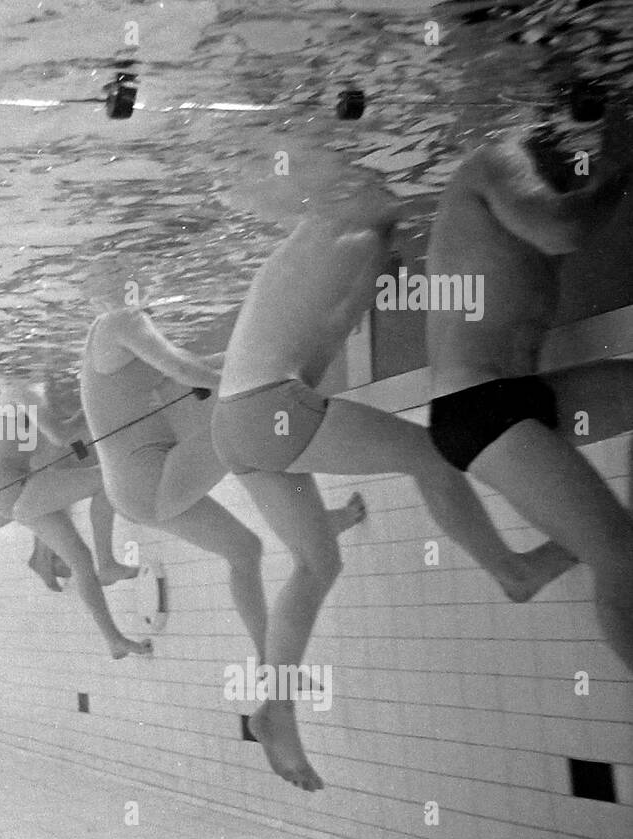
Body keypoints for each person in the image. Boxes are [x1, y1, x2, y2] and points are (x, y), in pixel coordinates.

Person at [208, 193, 574, 791]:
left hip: (235, 423)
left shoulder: (315, 235)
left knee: (315, 562)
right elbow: (345, 320)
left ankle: (276, 706)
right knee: (435, 455)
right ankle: (513, 572)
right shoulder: (365, 233)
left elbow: (321, 338)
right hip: (269, 405)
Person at [426, 101, 633, 670]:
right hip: (476, 408)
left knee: (616, 543)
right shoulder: (495, 159)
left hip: (518, 394)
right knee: (622, 559)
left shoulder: (540, 180)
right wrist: (621, 170)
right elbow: (562, 230)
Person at [81, 299, 366, 679]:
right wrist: (252, 380)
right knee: (246, 419)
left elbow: (189, 369)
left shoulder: (107, 337)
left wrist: (255, 364)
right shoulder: (123, 321)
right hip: (150, 479)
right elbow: (183, 369)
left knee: (245, 551)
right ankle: (314, 523)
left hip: (132, 490)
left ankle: (270, 661)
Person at [0, 377, 150, 658]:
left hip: (13, 491)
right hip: (14, 490)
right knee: (104, 476)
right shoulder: (21, 391)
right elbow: (61, 437)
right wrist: (96, 403)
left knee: (81, 560)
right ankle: (106, 562)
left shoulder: (24, 395)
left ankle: (114, 640)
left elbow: (58, 446)